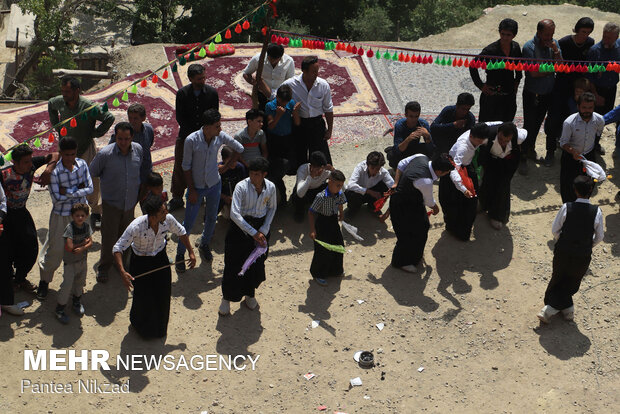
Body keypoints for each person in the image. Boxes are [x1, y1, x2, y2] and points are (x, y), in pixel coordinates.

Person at [114, 194, 196, 338]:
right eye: (163, 212)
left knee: (163, 293)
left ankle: (160, 328)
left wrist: (191, 251)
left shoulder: (167, 220)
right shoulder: (136, 226)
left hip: (160, 259)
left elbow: (181, 232)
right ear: (152, 216)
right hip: (140, 262)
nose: (167, 213)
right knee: (143, 296)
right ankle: (141, 328)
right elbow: (118, 248)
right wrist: (122, 271)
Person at [175, 109, 244, 272]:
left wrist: (226, 166)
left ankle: (204, 244)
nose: (220, 129)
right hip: (197, 188)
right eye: (217, 126)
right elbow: (186, 167)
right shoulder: (191, 140)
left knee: (212, 218)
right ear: (207, 127)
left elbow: (239, 148)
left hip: (214, 185)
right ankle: (180, 254)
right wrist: (191, 190)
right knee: (188, 224)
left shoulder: (219, 136)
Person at [48, 76, 115, 228]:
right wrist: (57, 126)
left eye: (67, 91)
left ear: (77, 91)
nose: (64, 94)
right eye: (63, 91)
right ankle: (68, 210)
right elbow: (51, 104)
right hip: (65, 148)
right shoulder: (59, 102)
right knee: (64, 178)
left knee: (91, 179)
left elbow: (109, 117)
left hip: (84, 148)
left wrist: (96, 133)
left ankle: (96, 211)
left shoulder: (88, 106)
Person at [537, 176, 603, 323]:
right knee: (573, 280)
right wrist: (587, 245)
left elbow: (555, 230)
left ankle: (550, 309)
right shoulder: (596, 212)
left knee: (558, 276)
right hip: (583, 254)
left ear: (574, 190)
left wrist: (563, 242)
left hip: (563, 250)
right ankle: (567, 310)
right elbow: (599, 237)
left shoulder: (567, 207)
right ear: (591, 190)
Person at [89, 122, 147, 283]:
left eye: (126, 138)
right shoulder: (105, 155)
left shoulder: (138, 150)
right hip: (111, 204)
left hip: (130, 203)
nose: (123, 142)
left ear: (132, 137)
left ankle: (121, 264)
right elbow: (92, 172)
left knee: (127, 235)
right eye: (120, 138)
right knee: (109, 236)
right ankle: (104, 267)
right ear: (115, 137)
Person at [37, 136, 93, 299]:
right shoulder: (54, 172)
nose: (70, 158)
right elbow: (56, 198)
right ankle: (44, 281)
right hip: (61, 216)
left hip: (80, 217)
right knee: (55, 251)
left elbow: (89, 188)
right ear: (60, 153)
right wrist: (78, 190)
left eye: (73, 154)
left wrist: (67, 191)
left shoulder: (82, 165)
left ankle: (77, 288)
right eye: (67, 154)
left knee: (80, 251)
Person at [219, 157, 276, 316]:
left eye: (257, 174)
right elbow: (235, 215)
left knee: (255, 265)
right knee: (233, 265)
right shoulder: (241, 187)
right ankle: (226, 299)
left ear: (264, 174)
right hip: (240, 230)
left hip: (261, 229)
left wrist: (263, 230)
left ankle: (250, 294)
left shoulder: (270, 188)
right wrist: (253, 233)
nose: (253, 177)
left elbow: (272, 209)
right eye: (251, 173)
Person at [0, 144, 57, 297]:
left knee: (31, 246)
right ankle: (10, 280)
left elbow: (54, 154)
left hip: (22, 212)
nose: (30, 164)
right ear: (15, 163)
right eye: (25, 162)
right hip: (5, 216)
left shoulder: (31, 166)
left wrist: (48, 169)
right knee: (6, 250)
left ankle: (20, 278)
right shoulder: (3, 174)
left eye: (30, 160)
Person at [543, 18, 596, 167]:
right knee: (554, 118)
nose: (585, 35)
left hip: (579, 89)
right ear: (576, 29)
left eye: (588, 32)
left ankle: (572, 150)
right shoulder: (564, 42)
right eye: (583, 31)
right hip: (561, 86)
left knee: (575, 119)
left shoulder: (590, 43)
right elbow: (557, 64)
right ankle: (550, 151)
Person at [390, 153, 454, 273]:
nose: (447, 174)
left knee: (422, 227)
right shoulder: (425, 181)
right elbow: (429, 201)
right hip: (404, 205)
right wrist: (436, 208)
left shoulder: (421, 157)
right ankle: (401, 262)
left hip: (408, 200)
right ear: (440, 171)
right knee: (408, 233)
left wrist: (396, 182)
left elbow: (401, 164)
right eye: (447, 172)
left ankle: (414, 255)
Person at [170, 64, 219, 211]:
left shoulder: (212, 93)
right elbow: (180, 117)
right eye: (199, 79)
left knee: (203, 165)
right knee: (180, 166)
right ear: (191, 79)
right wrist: (193, 136)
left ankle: (201, 194)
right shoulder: (182, 94)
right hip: (186, 136)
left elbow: (214, 115)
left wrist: (205, 134)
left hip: (206, 136)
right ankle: (177, 197)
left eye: (203, 77)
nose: (202, 81)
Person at [520, 19, 563, 175]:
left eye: (551, 34)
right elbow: (534, 73)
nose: (549, 37)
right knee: (529, 125)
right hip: (532, 93)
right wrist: (553, 69)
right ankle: (522, 156)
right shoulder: (528, 47)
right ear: (538, 32)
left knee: (538, 124)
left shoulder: (554, 44)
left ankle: (530, 150)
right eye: (546, 34)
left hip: (548, 93)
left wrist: (556, 52)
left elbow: (562, 67)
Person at [439, 123, 490, 241]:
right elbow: (453, 170)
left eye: (483, 140)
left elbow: (492, 124)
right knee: (454, 204)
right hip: (454, 174)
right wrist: (463, 188)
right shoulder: (462, 147)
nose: (481, 143)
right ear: (471, 136)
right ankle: (456, 230)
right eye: (479, 140)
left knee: (470, 202)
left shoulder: (478, 137)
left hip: (466, 168)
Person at [280, 56, 334, 167]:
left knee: (320, 158)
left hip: (317, 124)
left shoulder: (323, 85)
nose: (316, 74)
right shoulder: (290, 84)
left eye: (317, 71)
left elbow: (328, 109)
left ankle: (321, 182)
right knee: (299, 157)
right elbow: (277, 98)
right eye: (313, 71)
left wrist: (329, 130)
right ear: (304, 71)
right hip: (299, 124)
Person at [469, 18, 522, 122]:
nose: (505, 37)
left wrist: (517, 82)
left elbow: (518, 67)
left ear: (514, 35)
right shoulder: (490, 50)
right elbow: (473, 65)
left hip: (509, 95)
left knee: (506, 125)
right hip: (491, 96)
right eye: (503, 34)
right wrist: (481, 85)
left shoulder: (515, 48)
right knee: (488, 127)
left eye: (508, 35)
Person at [477, 122, 528, 230]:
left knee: (502, 187)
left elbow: (525, 132)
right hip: (491, 160)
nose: (503, 143)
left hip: (508, 163)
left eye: (507, 141)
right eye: (500, 139)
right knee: (487, 182)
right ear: (498, 133)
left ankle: (496, 215)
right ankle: (483, 204)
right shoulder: (487, 134)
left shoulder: (519, 137)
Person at [559, 92, 604, 203]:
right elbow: (563, 142)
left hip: (588, 157)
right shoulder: (569, 122)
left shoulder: (599, 120)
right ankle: (569, 210)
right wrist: (573, 152)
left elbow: (597, 135)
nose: (587, 111)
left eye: (590, 108)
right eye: (584, 107)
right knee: (568, 187)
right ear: (578, 107)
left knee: (588, 186)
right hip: (570, 158)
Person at [55, 203, 93, 324]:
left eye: (82, 215)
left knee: (80, 282)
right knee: (67, 285)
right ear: (72, 216)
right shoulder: (70, 228)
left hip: (82, 261)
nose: (80, 218)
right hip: (70, 263)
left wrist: (82, 247)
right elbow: (70, 247)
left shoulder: (87, 227)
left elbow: (90, 242)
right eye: (77, 215)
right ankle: (59, 309)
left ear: (86, 216)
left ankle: (76, 302)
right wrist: (83, 245)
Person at [308, 169, 347, 286]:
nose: (340, 188)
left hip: (333, 221)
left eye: (341, 186)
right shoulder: (320, 197)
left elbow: (340, 203)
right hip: (322, 223)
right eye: (338, 185)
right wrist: (313, 230)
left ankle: (335, 270)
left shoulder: (339, 193)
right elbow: (311, 213)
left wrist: (341, 213)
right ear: (330, 182)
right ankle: (319, 274)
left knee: (339, 245)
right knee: (322, 250)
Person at [264, 84, 301, 204]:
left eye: (286, 102)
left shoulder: (290, 103)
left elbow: (297, 123)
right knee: (276, 168)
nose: (284, 104)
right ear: (277, 98)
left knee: (289, 166)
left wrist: (295, 112)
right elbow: (270, 126)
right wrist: (278, 115)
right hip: (275, 140)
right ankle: (279, 194)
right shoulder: (270, 106)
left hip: (288, 140)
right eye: (281, 102)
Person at [587, 22, 620, 155]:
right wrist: (595, 94)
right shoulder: (595, 51)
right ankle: (589, 145)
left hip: (611, 88)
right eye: (604, 36)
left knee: (605, 117)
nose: (605, 40)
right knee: (593, 118)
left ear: (616, 37)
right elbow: (589, 75)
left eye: (609, 38)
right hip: (597, 90)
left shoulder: (619, 48)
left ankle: (596, 144)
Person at [109, 103, 154, 190]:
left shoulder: (148, 129)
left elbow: (149, 144)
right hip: (129, 176)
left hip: (146, 173)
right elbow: (110, 151)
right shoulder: (122, 134)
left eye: (136, 118)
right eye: (130, 118)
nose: (132, 121)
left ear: (143, 118)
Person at [242, 43, 295, 110]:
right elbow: (246, 73)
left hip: (280, 97)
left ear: (281, 57)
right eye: (270, 59)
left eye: (275, 59)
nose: (272, 61)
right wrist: (252, 81)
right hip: (261, 94)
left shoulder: (289, 61)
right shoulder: (258, 59)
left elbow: (290, 81)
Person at [344, 151, 393, 217]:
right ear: (367, 164)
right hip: (359, 194)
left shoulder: (384, 173)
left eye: (377, 169)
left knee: (386, 188)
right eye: (372, 168)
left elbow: (393, 186)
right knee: (349, 192)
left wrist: (388, 194)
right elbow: (350, 185)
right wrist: (369, 191)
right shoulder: (360, 167)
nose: (374, 171)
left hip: (373, 194)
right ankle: (353, 209)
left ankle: (372, 207)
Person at [386, 101, 432, 169]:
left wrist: (427, 136)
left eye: (416, 116)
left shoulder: (423, 124)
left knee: (433, 153)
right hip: (404, 149)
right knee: (393, 156)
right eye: (411, 116)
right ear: (406, 115)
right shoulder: (400, 125)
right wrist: (408, 139)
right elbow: (399, 150)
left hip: (415, 147)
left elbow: (431, 148)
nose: (414, 119)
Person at [291, 151, 333, 222]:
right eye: (318, 169)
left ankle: (322, 208)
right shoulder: (302, 169)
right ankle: (299, 211)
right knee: (297, 197)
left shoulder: (325, 171)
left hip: (317, 190)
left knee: (331, 187)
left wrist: (333, 170)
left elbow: (340, 183)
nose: (320, 172)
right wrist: (310, 177)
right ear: (311, 166)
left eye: (322, 169)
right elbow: (300, 194)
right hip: (304, 191)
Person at [219, 146, 247, 219]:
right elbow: (213, 190)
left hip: (236, 197)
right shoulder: (218, 170)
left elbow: (244, 186)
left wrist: (236, 198)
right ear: (223, 160)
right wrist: (225, 197)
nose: (233, 164)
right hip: (223, 197)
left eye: (235, 161)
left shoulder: (240, 168)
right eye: (230, 162)